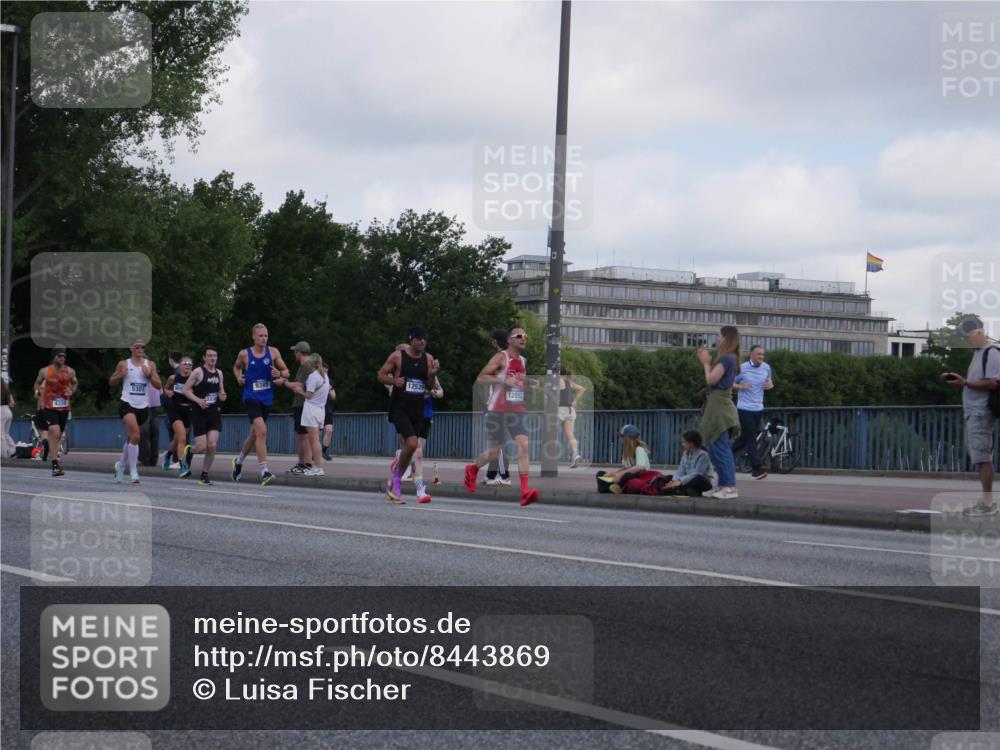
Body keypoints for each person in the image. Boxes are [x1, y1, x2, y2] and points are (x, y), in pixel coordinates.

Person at [464, 326, 541, 506]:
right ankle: (472, 469)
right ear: (510, 340)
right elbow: (481, 378)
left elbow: (517, 380)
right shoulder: (501, 357)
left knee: (523, 447)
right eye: (519, 336)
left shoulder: (522, 360)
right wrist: (503, 379)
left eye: (525, 335)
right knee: (494, 452)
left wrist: (529, 383)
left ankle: (524, 492)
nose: (524, 338)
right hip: (497, 411)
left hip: (516, 410)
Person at [941, 315, 1000, 516]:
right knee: (980, 457)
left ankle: (987, 503)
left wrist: (965, 383)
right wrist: (961, 380)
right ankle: (986, 502)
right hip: (974, 412)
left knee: (983, 457)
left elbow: (993, 383)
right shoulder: (979, 353)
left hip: (981, 411)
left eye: (966, 337)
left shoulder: (991, 353)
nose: (965, 342)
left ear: (977, 332)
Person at [377, 325, 440, 504]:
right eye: (419, 338)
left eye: (425, 338)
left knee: (412, 447)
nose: (422, 341)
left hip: (418, 409)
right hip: (400, 408)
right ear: (411, 339)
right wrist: (393, 380)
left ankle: (394, 479)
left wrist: (434, 374)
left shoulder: (428, 359)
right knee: (412, 443)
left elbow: (428, 386)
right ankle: (396, 484)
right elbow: (380, 375)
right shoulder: (398, 356)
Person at [231, 324, 290, 486]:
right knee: (262, 431)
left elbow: (286, 372)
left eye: (266, 336)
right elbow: (236, 368)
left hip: (266, 398)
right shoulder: (245, 354)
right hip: (251, 397)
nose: (264, 338)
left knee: (254, 434)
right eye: (260, 336)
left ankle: (238, 462)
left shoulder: (273, 352)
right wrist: (239, 378)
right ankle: (264, 471)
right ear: (254, 337)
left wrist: (280, 373)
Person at [697, 326, 741, 500]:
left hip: (720, 408)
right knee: (716, 449)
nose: (717, 339)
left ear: (726, 338)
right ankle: (723, 485)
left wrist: (706, 363)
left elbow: (711, 380)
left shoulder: (727, 358)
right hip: (719, 407)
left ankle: (730, 486)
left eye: (718, 336)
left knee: (721, 449)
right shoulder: (731, 358)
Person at [109, 339, 161, 484]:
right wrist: (120, 375)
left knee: (131, 438)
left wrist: (150, 375)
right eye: (137, 347)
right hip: (127, 404)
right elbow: (111, 381)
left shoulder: (150, 365)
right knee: (136, 436)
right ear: (131, 348)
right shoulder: (124, 364)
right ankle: (133, 472)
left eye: (142, 347)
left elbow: (158, 385)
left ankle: (120, 466)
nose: (139, 349)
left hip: (143, 406)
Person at [183, 345, 227, 485]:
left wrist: (223, 395)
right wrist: (198, 400)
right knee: (201, 448)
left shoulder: (219, 373)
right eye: (209, 356)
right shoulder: (198, 372)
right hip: (199, 413)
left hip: (213, 413)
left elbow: (222, 393)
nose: (212, 358)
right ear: (204, 358)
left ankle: (204, 474)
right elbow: (185, 389)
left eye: (214, 356)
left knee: (212, 445)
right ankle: (190, 452)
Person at [731, 344, 774, 480]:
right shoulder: (742, 368)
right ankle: (757, 469)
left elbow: (770, 382)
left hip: (758, 408)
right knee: (751, 438)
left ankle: (723, 454)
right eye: (758, 354)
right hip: (744, 408)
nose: (761, 357)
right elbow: (730, 383)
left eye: (762, 354)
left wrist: (770, 385)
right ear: (751, 354)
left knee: (745, 438)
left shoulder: (766, 367)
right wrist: (741, 386)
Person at [33, 346, 77, 476]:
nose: (62, 358)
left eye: (64, 356)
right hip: (48, 406)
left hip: (63, 407)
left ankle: (55, 462)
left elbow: (74, 383)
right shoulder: (45, 371)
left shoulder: (70, 371)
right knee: (54, 430)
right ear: (54, 357)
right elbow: (37, 384)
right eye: (59, 356)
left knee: (57, 436)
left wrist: (72, 391)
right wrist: (37, 393)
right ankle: (55, 465)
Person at [287, 353, 329, 476]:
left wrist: (300, 391)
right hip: (321, 409)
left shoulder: (313, 376)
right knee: (316, 440)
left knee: (314, 440)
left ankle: (317, 467)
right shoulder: (325, 376)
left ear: (311, 364)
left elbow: (309, 395)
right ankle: (317, 466)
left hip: (311, 409)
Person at [595, 424, 660, 495]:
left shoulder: (639, 449)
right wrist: (614, 473)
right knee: (600, 473)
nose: (620, 439)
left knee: (628, 475)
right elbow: (626, 468)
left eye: (622, 437)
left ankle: (617, 488)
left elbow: (640, 467)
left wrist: (620, 474)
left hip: (640, 478)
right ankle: (610, 488)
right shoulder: (626, 451)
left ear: (627, 439)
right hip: (626, 476)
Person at [482, 329, 511, 487]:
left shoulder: (501, 358)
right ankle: (491, 476)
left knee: (498, 443)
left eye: (492, 340)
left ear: (495, 341)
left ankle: (505, 476)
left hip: (498, 406)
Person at [655, 430, 715, 498]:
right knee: (668, 478)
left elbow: (697, 473)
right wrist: (674, 481)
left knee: (697, 479)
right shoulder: (685, 454)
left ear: (691, 443)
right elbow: (681, 470)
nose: (682, 444)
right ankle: (681, 490)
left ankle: (680, 491)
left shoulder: (703, 455)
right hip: (687, 481)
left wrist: (680, 481)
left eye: (684, 442)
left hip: (702, 482)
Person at [285, 341, 315, 476]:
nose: (294, 354)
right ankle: (306, 464)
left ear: (299, 352)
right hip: (308, 404)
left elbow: (298, 386)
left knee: (301, 436)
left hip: (301, 404)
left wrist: (284, 382)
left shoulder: (305, 367)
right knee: (305, 435)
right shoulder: (312, 365)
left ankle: (303, 464)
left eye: (295, 352)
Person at [164, 355, 195, 477]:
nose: (187, 366)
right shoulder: (173, 378)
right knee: (182, 437)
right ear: (180, 365)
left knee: (177, 438)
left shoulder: (195, 379)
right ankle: (183, 466)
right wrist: (169, 392)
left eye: (189, 364)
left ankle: (168, 454)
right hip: (175, 409)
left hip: (188, 410)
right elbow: (165, 388)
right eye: (185, 363)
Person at [559, 366, 586, 468]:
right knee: (570, 434)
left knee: (548, 431)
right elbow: (583, 389)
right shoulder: (569, 381)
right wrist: (575, 401)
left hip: (560, 409)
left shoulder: (558, 380)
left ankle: (549, 456)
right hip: (570, 410)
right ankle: (575, 454)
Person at [322, 365, 336, 461]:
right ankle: (313, 452)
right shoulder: (314, 379)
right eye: (324, 371)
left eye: (327, 372)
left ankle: (324, 451)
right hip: (316, 408)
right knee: (316, 433)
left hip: (326, 409)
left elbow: (333, 397)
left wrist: (330, 390)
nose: (325, 373)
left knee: (329, 430)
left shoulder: (330, 381)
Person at [1, 379, 15, 459]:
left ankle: (3, 454)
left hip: (1, 412)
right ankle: (12, 451)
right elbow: (12, 403)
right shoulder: (6, 391)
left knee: (1, 434)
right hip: (8, 411)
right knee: (6, 433)